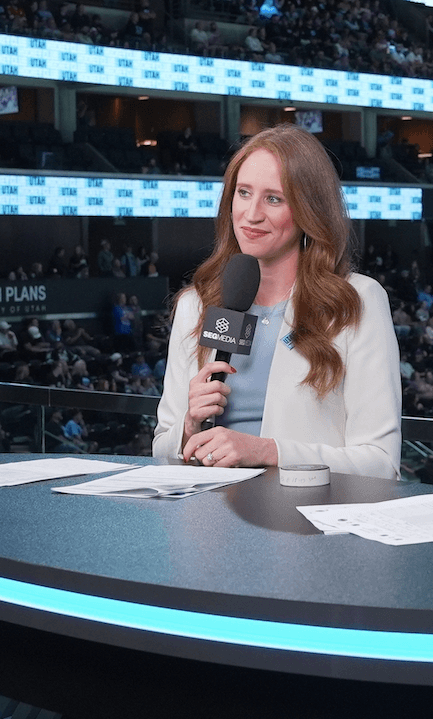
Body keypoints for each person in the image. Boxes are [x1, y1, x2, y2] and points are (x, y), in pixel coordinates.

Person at [153, 124, 401, 479]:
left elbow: (381, 463)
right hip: (208, 506)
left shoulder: (357, 301)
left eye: (274, 199)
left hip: (302, 508)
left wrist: (267, 451)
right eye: (243, 193)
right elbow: (161, 448)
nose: (252, 214)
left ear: (308, 211)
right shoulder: (196, 303)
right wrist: (189, 426)